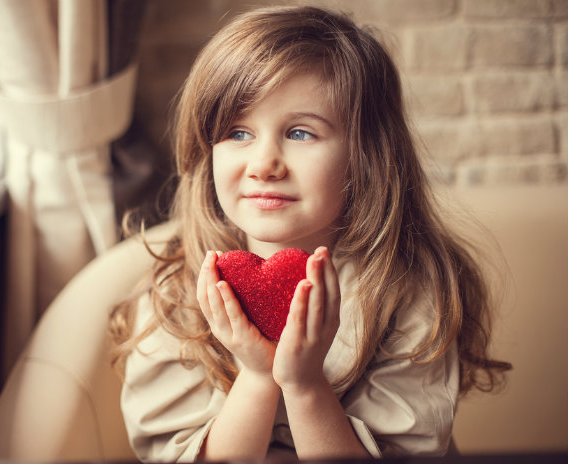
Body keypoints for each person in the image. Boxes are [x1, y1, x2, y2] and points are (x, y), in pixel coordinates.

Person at [110, 5, 511, 461]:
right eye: (238, 132)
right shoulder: (175, 295)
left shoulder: (408, 290)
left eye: (300, 133)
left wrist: (304, 384)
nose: (264, 164)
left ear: (366, 157)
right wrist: (260, 377)